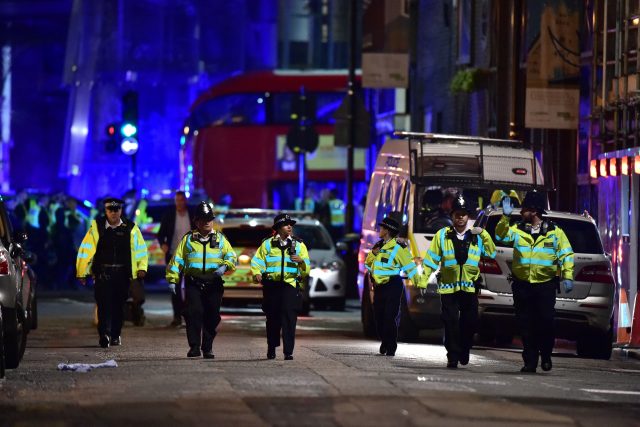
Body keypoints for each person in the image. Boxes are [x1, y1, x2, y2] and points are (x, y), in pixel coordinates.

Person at [496, 190, 574, 373]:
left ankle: (545, 354)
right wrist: (505, 218)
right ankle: (530, 361)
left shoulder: (555, 232)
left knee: (546, 322)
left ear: (534, 210)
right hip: (522, 284)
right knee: (525, 324)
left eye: (524, 208)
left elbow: (566, 254)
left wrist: (567, 276)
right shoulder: (518, 229)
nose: (521, 211)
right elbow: (501, 236)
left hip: (545, 285)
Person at [415, 195, 496, 368]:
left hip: (469, 287)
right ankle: (452, 355)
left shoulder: (477, 235)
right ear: (451, 216)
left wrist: (484, 234)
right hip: (448, 288)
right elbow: (430, 260)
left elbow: (491, 253)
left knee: (470, 323)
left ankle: (465, 349)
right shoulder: (442, 235)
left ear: (468, 216)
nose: (460, 217)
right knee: (450, 322)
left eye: (464, 214)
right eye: (457, 214)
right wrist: (422, 281)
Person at [166, 201, 237, 359]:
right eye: (203, 219)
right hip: (194, 282)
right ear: (196, 221)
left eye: (209, 219)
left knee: (212, 315)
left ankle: (208, 347)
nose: (207, 222)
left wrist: (225, 267)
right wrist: (172, 279)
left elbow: (232, 256)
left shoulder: (220, 239)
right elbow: (177, 260)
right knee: (194, 313)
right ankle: (195, 347)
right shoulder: (188, 239)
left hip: (214, 283)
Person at [76, 197, 148, 348]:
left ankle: (115, 335)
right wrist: (82, 272)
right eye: (110, 210)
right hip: (103, 273)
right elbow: (86, 250)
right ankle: (104, 334)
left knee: (118, 306)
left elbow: (141, 249)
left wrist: (142, 268)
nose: (114, 213)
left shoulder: (130, 227)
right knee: (103, 305)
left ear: (121, 210)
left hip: (122, 274)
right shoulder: (97, 227)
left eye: (117, 210)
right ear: (106, 210)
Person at [251, 213, 310, 360]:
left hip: (290, 285)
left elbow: (307, 269)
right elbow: (257, 261)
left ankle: (288, 351)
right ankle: (272, 347)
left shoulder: (299, 245)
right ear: (277, 228)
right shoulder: (267, 244)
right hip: (272, 286)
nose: (289, 227)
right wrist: (257, 272)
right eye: (286, 224)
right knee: (272, 318)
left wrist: (301, 262)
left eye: (291, 224)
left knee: (290, 318)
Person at [365, 216, 420, 357]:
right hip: (379, 287)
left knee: (390, 317)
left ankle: (391, 346)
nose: (380, 229)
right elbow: (368, 264)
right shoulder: (378, 246)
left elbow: (409, 266)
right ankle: (385, 340)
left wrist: (419, 282)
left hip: (393, 285)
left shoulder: (398, 248)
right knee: (379, 317)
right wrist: (372, 253)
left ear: (388, 231)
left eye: (382, 228)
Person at [157, 190, 195, 327]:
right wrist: (163, 245)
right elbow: (160, 234)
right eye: (177, 200)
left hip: (191, 257)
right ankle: (177, 317)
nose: (179, 203)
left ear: (185, 201)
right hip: (174, 255)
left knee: (191, 287)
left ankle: (189, 315)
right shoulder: (169, 215)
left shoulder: (193, 215)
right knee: (175, 287)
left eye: (181, 200)